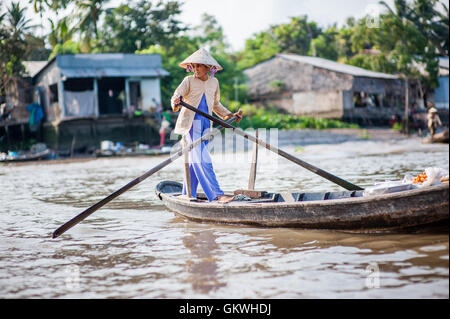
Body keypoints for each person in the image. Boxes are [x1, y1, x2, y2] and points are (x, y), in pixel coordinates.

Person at [171, 48, 242, 204]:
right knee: (203, 158)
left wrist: (229, 115)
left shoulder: (214, 82)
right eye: (193, 67)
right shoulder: (188, 81)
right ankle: (217, 195)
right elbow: (176, 96)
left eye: (199, 66)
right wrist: (176, 102)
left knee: (195, 160)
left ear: (208, 68)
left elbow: (216, 104)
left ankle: (187, 193)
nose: (195, 70)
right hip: (190, 125)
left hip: (205, 125)